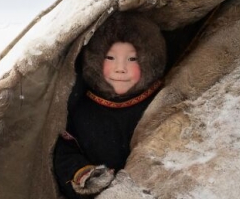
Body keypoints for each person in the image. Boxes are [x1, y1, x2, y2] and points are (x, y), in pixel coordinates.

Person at [53, 11, 166, 198]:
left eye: (132, 59)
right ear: (95, 60)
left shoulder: (160, 102)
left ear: (149, 60)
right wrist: (85, 175)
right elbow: (63, 153)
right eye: (110, 58)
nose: (120, 68)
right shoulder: (82, 111)